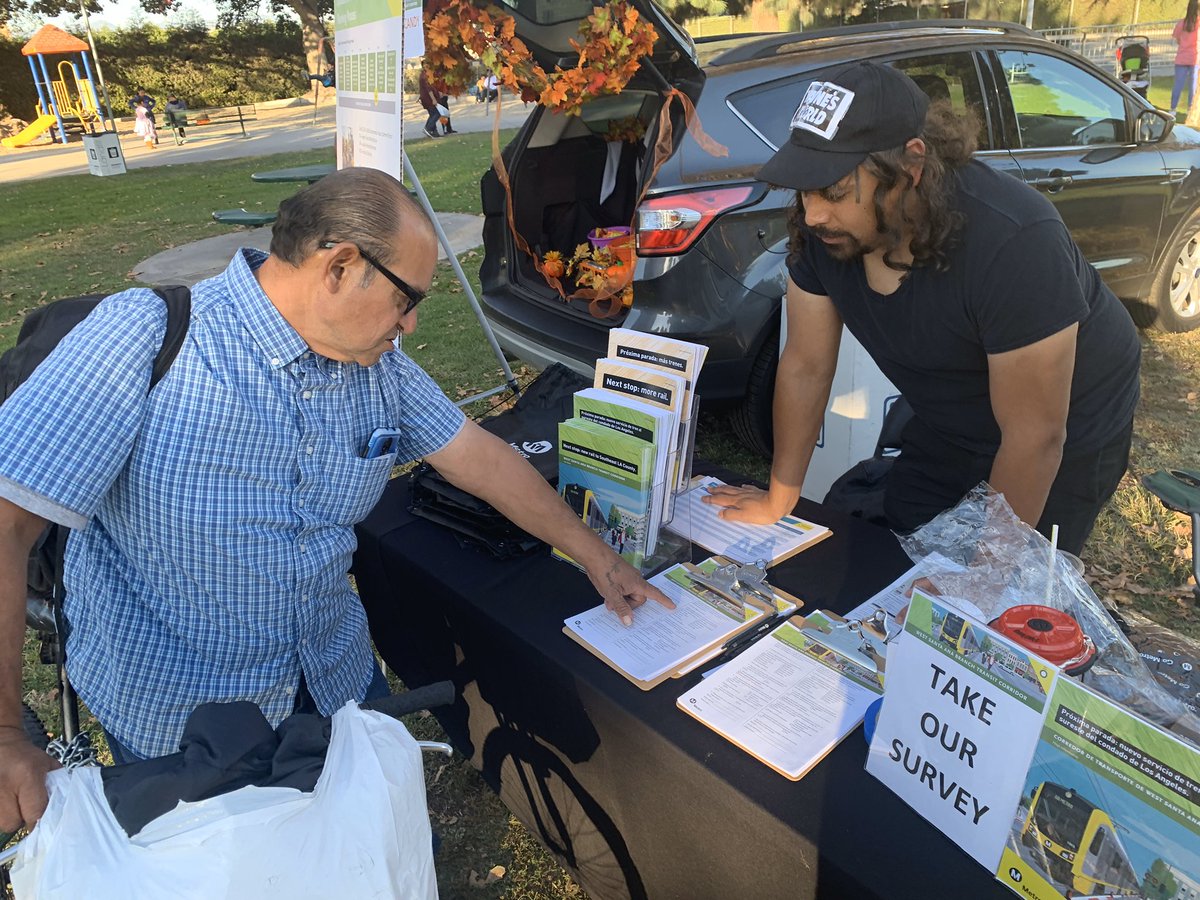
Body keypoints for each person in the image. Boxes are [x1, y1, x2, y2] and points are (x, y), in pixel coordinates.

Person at [0, 167, 673, 833]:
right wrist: (6, 735)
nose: (409, 325)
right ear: (340, 266)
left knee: (360, 843)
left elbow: (481, 459)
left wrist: (593, 555)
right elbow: (7, 525)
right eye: (407, 300)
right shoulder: (148, 337)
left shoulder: (376, 366)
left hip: (333, 681)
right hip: (184, 718)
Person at [703, 62, 1140, 558]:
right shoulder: (822, 232)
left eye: (836, 191)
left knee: (1015, 584)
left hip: (1068, 424)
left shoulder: (1016, 239)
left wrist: (988, 571)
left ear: (911, 166)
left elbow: (1035, 434)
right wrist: (780, 497)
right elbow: (804, 365)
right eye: (804, 189)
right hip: (948, 416)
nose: (813, 213)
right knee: (901, 546)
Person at [1173, 0, 1199, 118]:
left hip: (1182, 57)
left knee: (1178, 85)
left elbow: (1177, 39)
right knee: (1192, 85)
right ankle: (1190, 110)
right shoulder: (1198, 23)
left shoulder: (1182, 23)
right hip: (1195, 58)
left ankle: (1172, 109)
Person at [417, 67, 442, 139]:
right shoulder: (425, 75)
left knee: (432, 114)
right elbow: (429, 89)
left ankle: (434, 133)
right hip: (428, 99)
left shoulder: (428, 74)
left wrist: (438, 93)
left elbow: (432, 87)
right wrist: (433, 99)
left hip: (427, 98)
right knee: (437, 113)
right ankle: (428, 128)